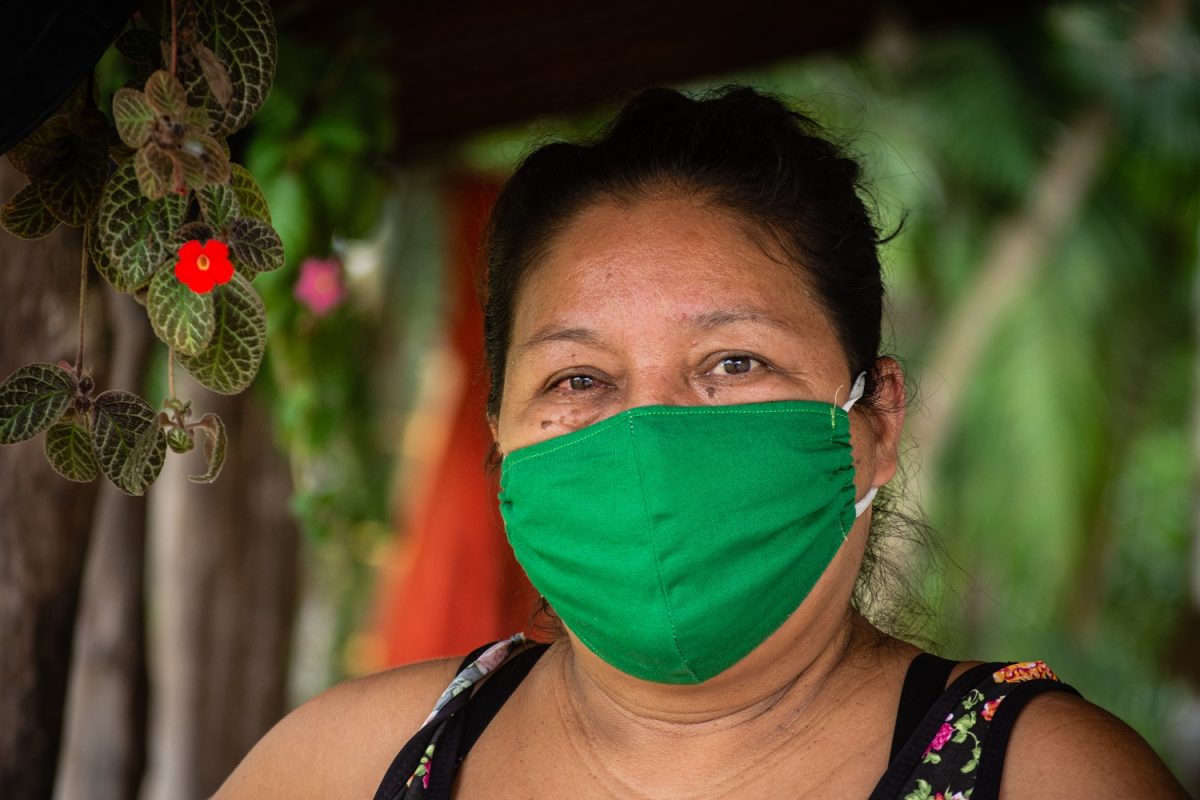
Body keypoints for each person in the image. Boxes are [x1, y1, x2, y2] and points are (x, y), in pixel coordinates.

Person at [215, 86, 1188, 799]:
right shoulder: (344, 763)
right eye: (579, 379)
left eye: (733, 363)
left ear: (876, 424)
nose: (651, 433)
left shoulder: (1048, 780)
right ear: (503, 443)